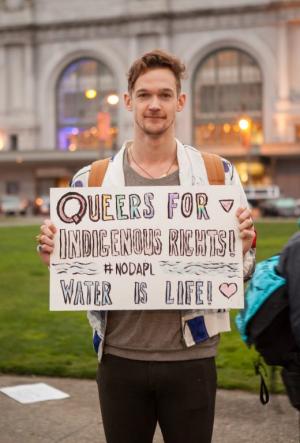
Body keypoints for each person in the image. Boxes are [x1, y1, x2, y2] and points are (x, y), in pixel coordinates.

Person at [37, 50, 256, 443]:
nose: (154, 104)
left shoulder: (216, 175)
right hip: (119, 358)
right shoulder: (91, 181)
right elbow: (75, 274)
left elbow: (244, 272)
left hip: (193, 358)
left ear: (180, 102)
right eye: (144, 95)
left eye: (165, 95)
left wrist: (239, 250)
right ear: (128, 101)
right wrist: (55, 258)